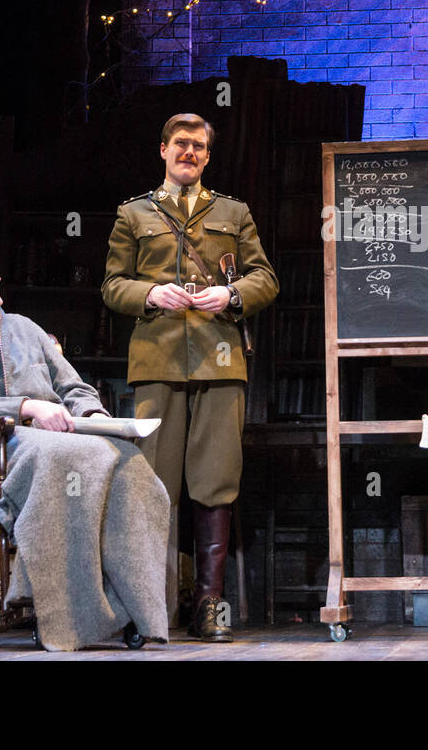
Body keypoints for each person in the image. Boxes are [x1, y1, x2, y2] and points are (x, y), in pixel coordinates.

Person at [0, 241, 171, 651]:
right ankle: (59, 609)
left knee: (129, 460)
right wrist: (24, 407)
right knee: (67, 455)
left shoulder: (25, 329)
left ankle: (130, 605)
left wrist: (96, 416)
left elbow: (72, 385)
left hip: (59, 440)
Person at [103, 113, 278, 641]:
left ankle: (208, 604)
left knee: (215, 481)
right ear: (162, 150)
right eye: (181, 144)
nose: (190, 153)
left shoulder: (234, 212)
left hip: (221, 359)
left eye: (199, 147)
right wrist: (150, 294)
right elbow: (113, 286)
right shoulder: (133, 214)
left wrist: (232, 294)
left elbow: (264, 277)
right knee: (155, 485)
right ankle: (150, 603)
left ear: (207, 155)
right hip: (156, 361)